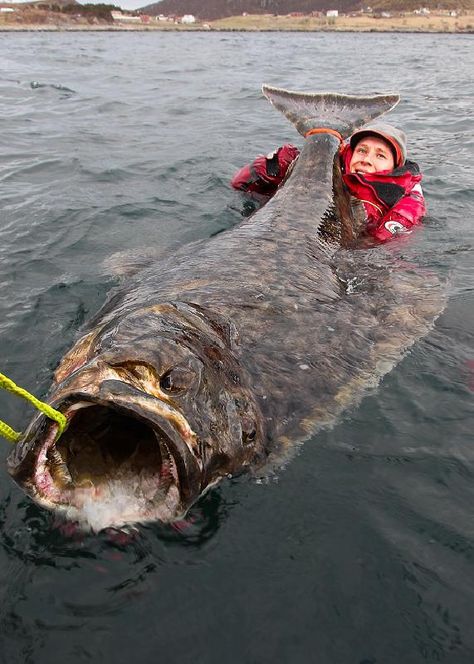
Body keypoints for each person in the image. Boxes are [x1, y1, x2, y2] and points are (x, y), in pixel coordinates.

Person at [230, 122, 426, 243]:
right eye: (362, 151)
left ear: (395, 166)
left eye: (380, 155)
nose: (367, 159)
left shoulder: (405, 198)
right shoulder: (322, 172)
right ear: (350, 155)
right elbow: (240, 185)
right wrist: (271, 169)